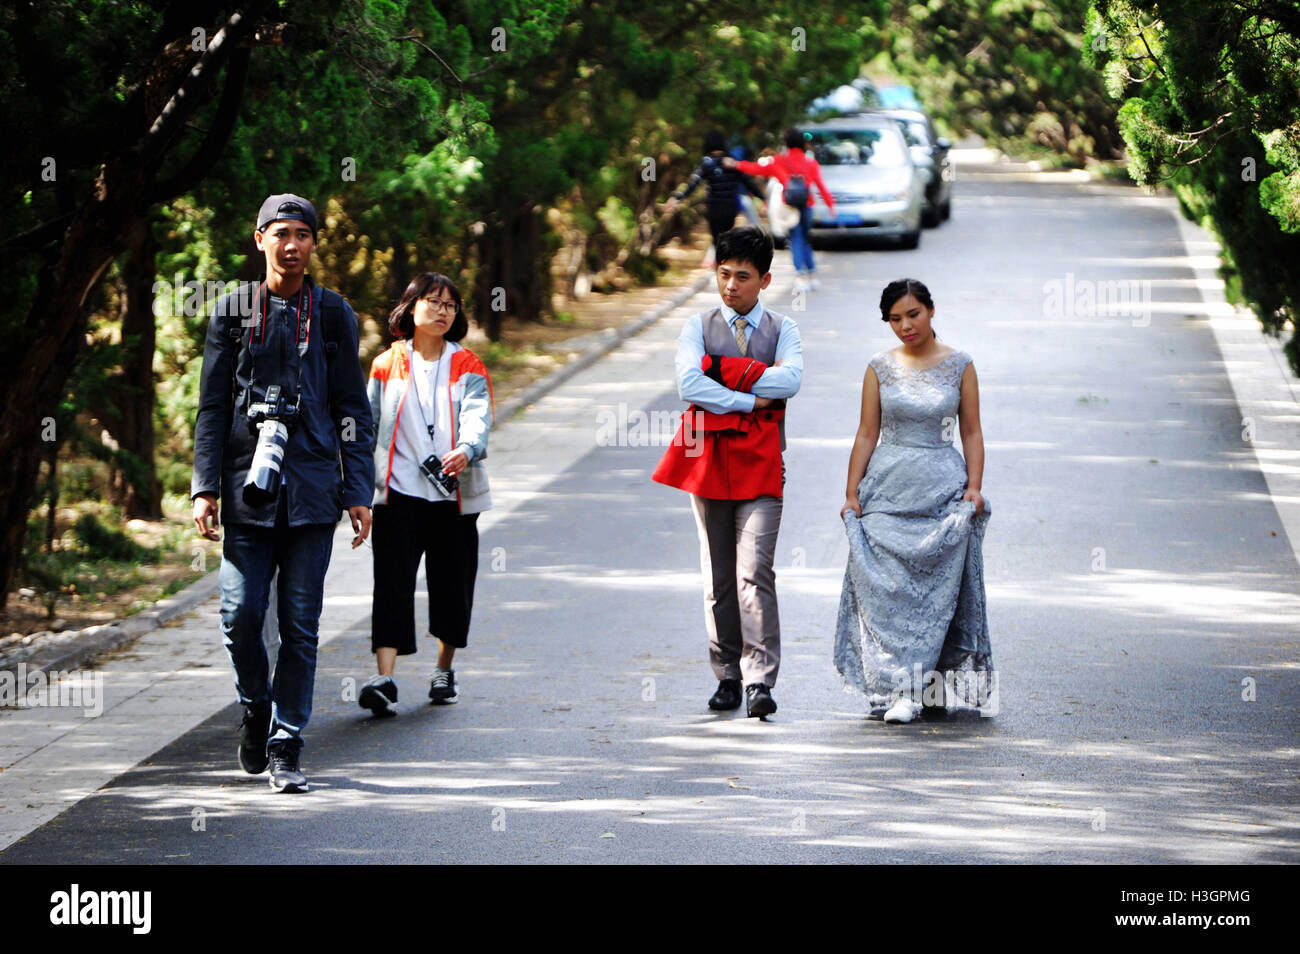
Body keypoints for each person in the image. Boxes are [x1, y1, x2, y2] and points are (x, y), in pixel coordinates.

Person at [192, 193, 374, 792]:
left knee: (300, 624)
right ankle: (255, 706)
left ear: (315, 243)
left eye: (302, 234)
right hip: (248, 487)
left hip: (314, 487)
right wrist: (203, 487)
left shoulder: (331, 314)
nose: (291, 244)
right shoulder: (233, 311)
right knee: (239, 614)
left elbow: (352, 404)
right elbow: (213, 406)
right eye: (280, 233)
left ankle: (287, 740)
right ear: (259, 239)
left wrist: (358, 489)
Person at [652, 226, 803, 718]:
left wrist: (723, 368)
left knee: (753, 572)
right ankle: (728, 675)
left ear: (765, 280)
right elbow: (688, 384)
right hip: (708, 462)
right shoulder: (696, 325)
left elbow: (791, 380)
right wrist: (749, 399)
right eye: (724, 274)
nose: (731, 285)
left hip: (761, 465)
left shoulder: (784, 329)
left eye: (743, 276)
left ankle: (761, 679)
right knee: (717, 574)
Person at [834, 279, 995, 725]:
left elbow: (971, 431)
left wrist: (974, 486)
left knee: (937, 592)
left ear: (931, 310)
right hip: (887, 488)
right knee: (890, 590)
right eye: (895, 319)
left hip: (941, 490)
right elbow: (867, 433)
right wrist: (852, 492)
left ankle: (929, 683)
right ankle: (898, 686)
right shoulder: (878, 368)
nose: (906, 325)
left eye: (913, 314)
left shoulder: (960, 365)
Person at [359, 273, 493, 717]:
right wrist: (359, 488)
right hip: (398, 493)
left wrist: (467, 449)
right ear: (411, 307)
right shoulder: (385, 364)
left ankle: (443, 669)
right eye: (434, 302)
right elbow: (367, 426)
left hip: (453, 495)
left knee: (453, 584)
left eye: (450, 305)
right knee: (391, 584)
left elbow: (478, 417)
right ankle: (385, 678)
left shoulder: (468, 363)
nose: (442, 310)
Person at [724, 130, 834, 291]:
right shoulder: (810, 162)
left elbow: (756, 169)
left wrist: (736, 164)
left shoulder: (779, 161)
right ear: (803, 143)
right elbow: (820, 185)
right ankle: (812, 276)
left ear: (787, 143)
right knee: (805, 239)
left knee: (795, 239)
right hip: (807, 204)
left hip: (789, 206)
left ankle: (800, 276)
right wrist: (830, 205)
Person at [665, 131, 767, 268]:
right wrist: (763, 198)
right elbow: (748, 182)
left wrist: (677, 198)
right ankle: (725, 264)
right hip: (731, 206)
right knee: (726, 235)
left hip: (714, 207)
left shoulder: (707, 164)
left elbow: (693, 183)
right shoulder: (732, 162)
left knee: (717, 238)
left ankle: (721, 267)